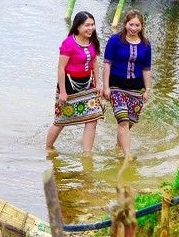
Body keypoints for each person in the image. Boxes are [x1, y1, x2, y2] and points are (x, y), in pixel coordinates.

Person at [46, 11, 104, 153]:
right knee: (61, 121)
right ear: (78, 27)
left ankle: (87, 153)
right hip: (69, 85)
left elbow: (95, 62)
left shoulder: (93, 41)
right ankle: (48, 148)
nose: (90, 28)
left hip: (87, 85)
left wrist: (98, 83)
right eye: (87, 25)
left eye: (92, 24)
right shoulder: (69, 43)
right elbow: (61, 68)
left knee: (93, 118)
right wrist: (63, 92)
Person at [101, 9, 152, 157]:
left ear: (141, 26)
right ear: (125, 24)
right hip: (116, 86)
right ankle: (128, 156)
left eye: (137, 25)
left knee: (129, 123)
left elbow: (146, 68)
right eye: (131, 24)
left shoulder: (146, 45)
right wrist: (105, 87)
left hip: (136, 88)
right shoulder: (115, 40)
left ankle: (118, 148)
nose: (133, 28)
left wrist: (147, 89)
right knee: (123, 121)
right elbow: (107, 64)